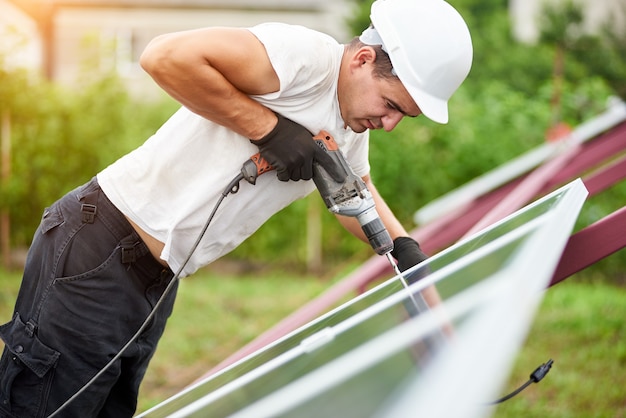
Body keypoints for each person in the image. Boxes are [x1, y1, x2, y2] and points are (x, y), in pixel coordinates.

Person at [0, 0, 473, 416]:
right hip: (99, 244)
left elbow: (355, 189)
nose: (389, 125)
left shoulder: (352, 125)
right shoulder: (306, 59)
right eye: (391, 105)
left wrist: (405, 255)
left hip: (157, 279)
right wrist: (269, 129)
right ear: (363, 59)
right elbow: (162, 56)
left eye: (401, 117)